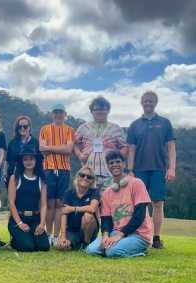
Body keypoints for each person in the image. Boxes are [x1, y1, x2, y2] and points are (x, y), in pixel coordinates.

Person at [127, 91, 176, 249]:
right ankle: (139, 234)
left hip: (158, 169)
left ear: (155, 102)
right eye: (145, 101)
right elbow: (131, 149)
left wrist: (172, 168)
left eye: (151, 101)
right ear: (141, 103)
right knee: (138, 204)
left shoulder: (165, 122)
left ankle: (156, 237)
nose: (148, 103)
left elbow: (171, 147)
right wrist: (130, 170)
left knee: (157, 203)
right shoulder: (135, 125)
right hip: (139, 170)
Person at [86, 151, 153, 258]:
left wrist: (120, 235)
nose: (115, 165)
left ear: (124, 164)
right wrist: (105, 236)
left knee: (111, 252)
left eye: (118, 162)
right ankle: (118, 247)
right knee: (91, 250)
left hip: (138, 235)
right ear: (107, 166)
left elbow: (139, 215)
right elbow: (106, 219)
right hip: (116, 233)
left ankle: (140, 252)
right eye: (111, 163)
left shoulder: (137, 183)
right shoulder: (107, 192)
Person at [74, 96, 128, 193]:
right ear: (91, 111)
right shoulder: (83, 128)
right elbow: (74, 144)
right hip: (88, 174)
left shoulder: (116, 128)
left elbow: (124, 147)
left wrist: (117, 161)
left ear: (108, 110)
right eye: (97, 109)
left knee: (109, 202)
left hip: (109, 173)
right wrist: (79, 155)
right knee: (89, 204)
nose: (100, 111)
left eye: (103, 109)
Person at [39, 103, 74, 246]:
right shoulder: (45, 129)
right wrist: (60, 148)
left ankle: (56, 235)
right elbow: (42, 149)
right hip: (48, 168)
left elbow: (69, 149)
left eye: (61, 112)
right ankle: (48, 234)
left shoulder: (69, 130)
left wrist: (50, 148)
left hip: (64, 169)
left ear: (65, 114)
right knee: (49, 203)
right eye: (56, 112)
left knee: (60, 203)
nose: (58, 115)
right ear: (52, 114)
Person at [7, 145, 49, 252]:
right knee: (28, 247)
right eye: (25, 159)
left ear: (36, 160)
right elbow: (11, 202)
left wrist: (42, 224)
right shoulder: (15, 178)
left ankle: (29, 236)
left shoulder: (42, 179)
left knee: (43, 247)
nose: (28, 162)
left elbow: (44, 204)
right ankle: (14, 240)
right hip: (18, 219)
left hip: (35, 218)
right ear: (21, 161)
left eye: (31, 159)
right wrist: (20, 223)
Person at [57, 166, 99, 251]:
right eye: (82, 175)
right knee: (62, 247)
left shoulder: (95, 192)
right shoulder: (69, 192)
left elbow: (92, 209)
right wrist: (63, 236)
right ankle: (75, 244)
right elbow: (64, 213)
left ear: (92, 181)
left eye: (89, 177)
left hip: (89, 229)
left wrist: (73, 209)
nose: (85, 178)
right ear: (77, 176)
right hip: (72, 230)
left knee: (88, 216)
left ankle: (86, 244)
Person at [6, 115, 42, 185]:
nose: (22, 128)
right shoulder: (12, 143)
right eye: (20, 126)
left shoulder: (35, 142)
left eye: (25, 126)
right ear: (17, 128)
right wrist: (5, 174)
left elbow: (39, 160)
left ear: (29, 128)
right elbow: (7, 161)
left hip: (31, 176)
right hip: (14, 177)